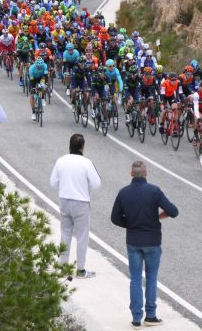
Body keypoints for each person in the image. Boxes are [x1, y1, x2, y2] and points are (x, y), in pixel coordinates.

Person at [111, 161, 179, 329]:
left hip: (133, 241)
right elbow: (173, 211)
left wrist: (131, 224)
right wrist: (159, 217)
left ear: (131, 174)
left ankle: (136, 318)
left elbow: (115, 218)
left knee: (135, 279)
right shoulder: (154, 191)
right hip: (152, 241)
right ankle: (150, 315)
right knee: (151, 278)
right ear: (146, 173)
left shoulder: (123, 193)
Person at [49, 134, 101, 279]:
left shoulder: (61, 161)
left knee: (65, 234)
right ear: (82, 146)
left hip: (64, 200)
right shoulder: (86, 163)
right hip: (81, 202)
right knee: (82, 236)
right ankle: (81, 270)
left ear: (70, 145)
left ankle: (63, 267)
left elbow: (53, 182)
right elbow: (96, 183)